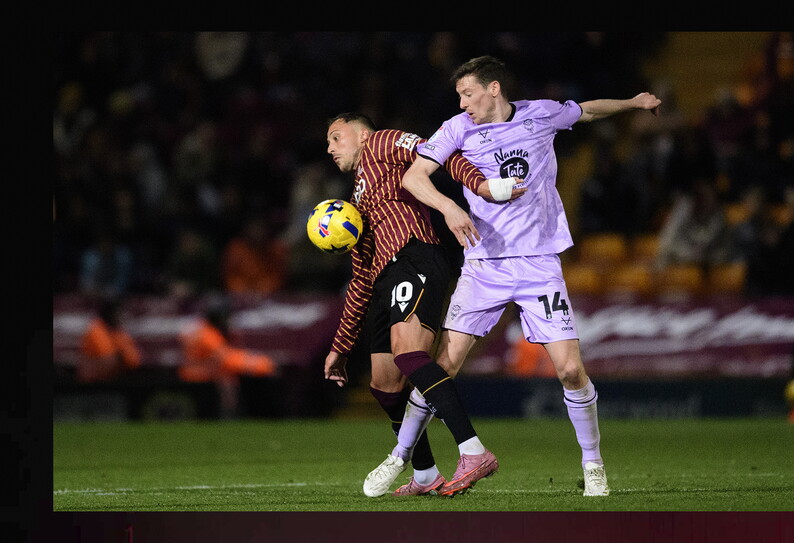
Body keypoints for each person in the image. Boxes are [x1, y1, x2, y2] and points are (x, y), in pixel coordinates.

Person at [388, 55, 662, 497]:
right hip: (483, 265)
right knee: (442, 367)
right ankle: (401, 457)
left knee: (571, 370)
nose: (462, 103)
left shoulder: (541, 114)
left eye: (468, 93)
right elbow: (415, 177)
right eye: (459, 95)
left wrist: (632, 103)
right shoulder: (457, 128)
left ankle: (593, 464)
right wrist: (451, 207)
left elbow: (587, 109)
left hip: (538, 264)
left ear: (494, 88)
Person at [322, 112, 525, 498]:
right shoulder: (355, 203)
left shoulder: (380, 142)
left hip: (414, 256)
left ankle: (473, 450)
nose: (330, 148)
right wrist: (341, 347)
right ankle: (427, 474)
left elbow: (440, 152)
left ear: (361, 133)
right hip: (384, 280)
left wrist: (480, 185)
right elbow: (361, 282)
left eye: (336, 137)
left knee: (409, 355)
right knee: (384, 386)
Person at [178, 297, 277, 418]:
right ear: (219, 317)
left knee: (226, 376)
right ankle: (230, 415)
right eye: (225, 317)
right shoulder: (207, 334)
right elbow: (225, 360)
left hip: (196, 376)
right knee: (227, 378)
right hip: (200, 381)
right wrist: (259, 363)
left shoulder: (198, 328)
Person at [77, 297, 142, 383]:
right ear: (110, 313)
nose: (122, 316)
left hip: (113, 382)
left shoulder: (118, 332)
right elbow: (107, 362)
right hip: (91, 384)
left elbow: (134, 361)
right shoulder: (96, 330)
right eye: (119, 312)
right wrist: (122, 355)